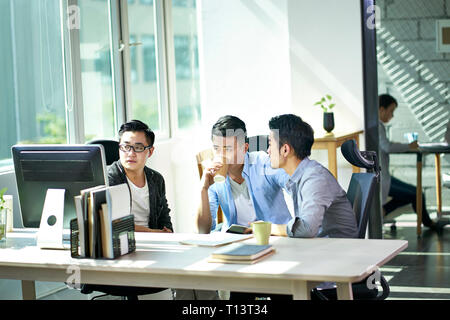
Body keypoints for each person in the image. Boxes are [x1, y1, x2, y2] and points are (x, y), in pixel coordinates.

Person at [83, 120, 174, 300]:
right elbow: (114, 224)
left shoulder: (156, 179)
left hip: (150, 247)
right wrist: (152, 232)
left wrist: (167, 231)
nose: (130, 153)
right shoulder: (108, 179)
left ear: (150, 151)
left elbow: (164, 214)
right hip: (118, 250)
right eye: (125, 147)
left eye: (138, 148)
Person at [196, 115, 292, 234]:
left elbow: (295, 187)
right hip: (235, 240)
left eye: (228, 149)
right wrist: (203, 189)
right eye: (217, 149)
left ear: (245, 148)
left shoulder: (263, 164)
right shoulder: (213, 177)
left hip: (273, 238)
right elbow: (203, 230)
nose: (221, 155)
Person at [267, 114, 358, 239]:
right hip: (322, 247)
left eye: (270, 144)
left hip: (338, 251)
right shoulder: (302, 175)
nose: (268, 151)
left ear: (285, 150)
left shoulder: (315, 178)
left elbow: (306, 229)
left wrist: (269, 228)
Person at [378, 94, 442, 230]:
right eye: (391, 111)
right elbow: (387, 147)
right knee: (417, 193)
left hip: (383, 176)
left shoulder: (376, 125)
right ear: (381, 109)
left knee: (414, 193)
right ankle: (428, 223)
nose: (392, 115)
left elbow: (384, 145)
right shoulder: (377, 125)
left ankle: (383, 211)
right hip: (381, 178)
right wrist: (409, 146)